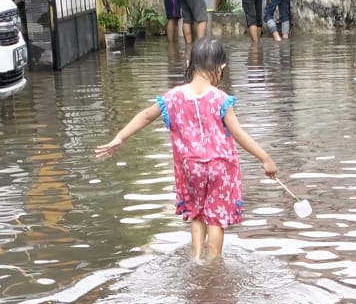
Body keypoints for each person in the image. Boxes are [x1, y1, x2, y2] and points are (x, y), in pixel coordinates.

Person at [94, 38, 278, 262]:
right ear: (221, 69)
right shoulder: (221, 100)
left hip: (190, 168)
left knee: (198, 214)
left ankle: (197, 258)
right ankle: (213, 264)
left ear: (190, 62)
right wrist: (265, 158)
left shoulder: (173, 97)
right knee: (216, 219)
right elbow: (239, 134)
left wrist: (119, 138)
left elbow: (145, 116)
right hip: (219, 168)